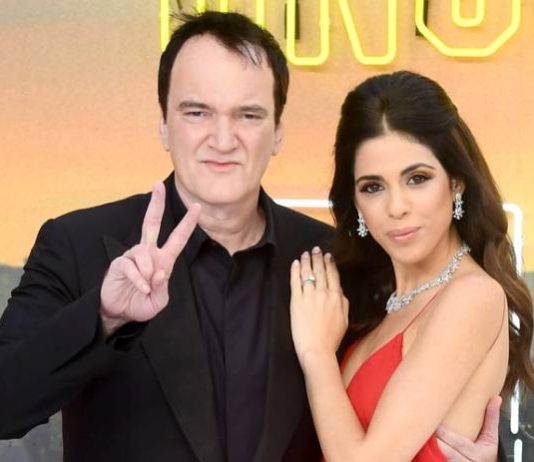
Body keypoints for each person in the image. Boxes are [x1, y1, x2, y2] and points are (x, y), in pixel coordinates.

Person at [0, 12, 501, 462]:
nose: (223, 139)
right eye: (197, 112)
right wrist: (104, 317)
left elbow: (395, 411)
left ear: (278, 131)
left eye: (248, 114)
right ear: (163, 124)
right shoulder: (78, 244)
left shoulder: (342, 263)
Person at [289, 71, 534, 461]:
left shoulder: (472, 296)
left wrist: (318, 355)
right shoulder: (378, 303)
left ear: (456, 182)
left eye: (417, 179)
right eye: (373, 187)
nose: (397, 207)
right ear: (355, 201)